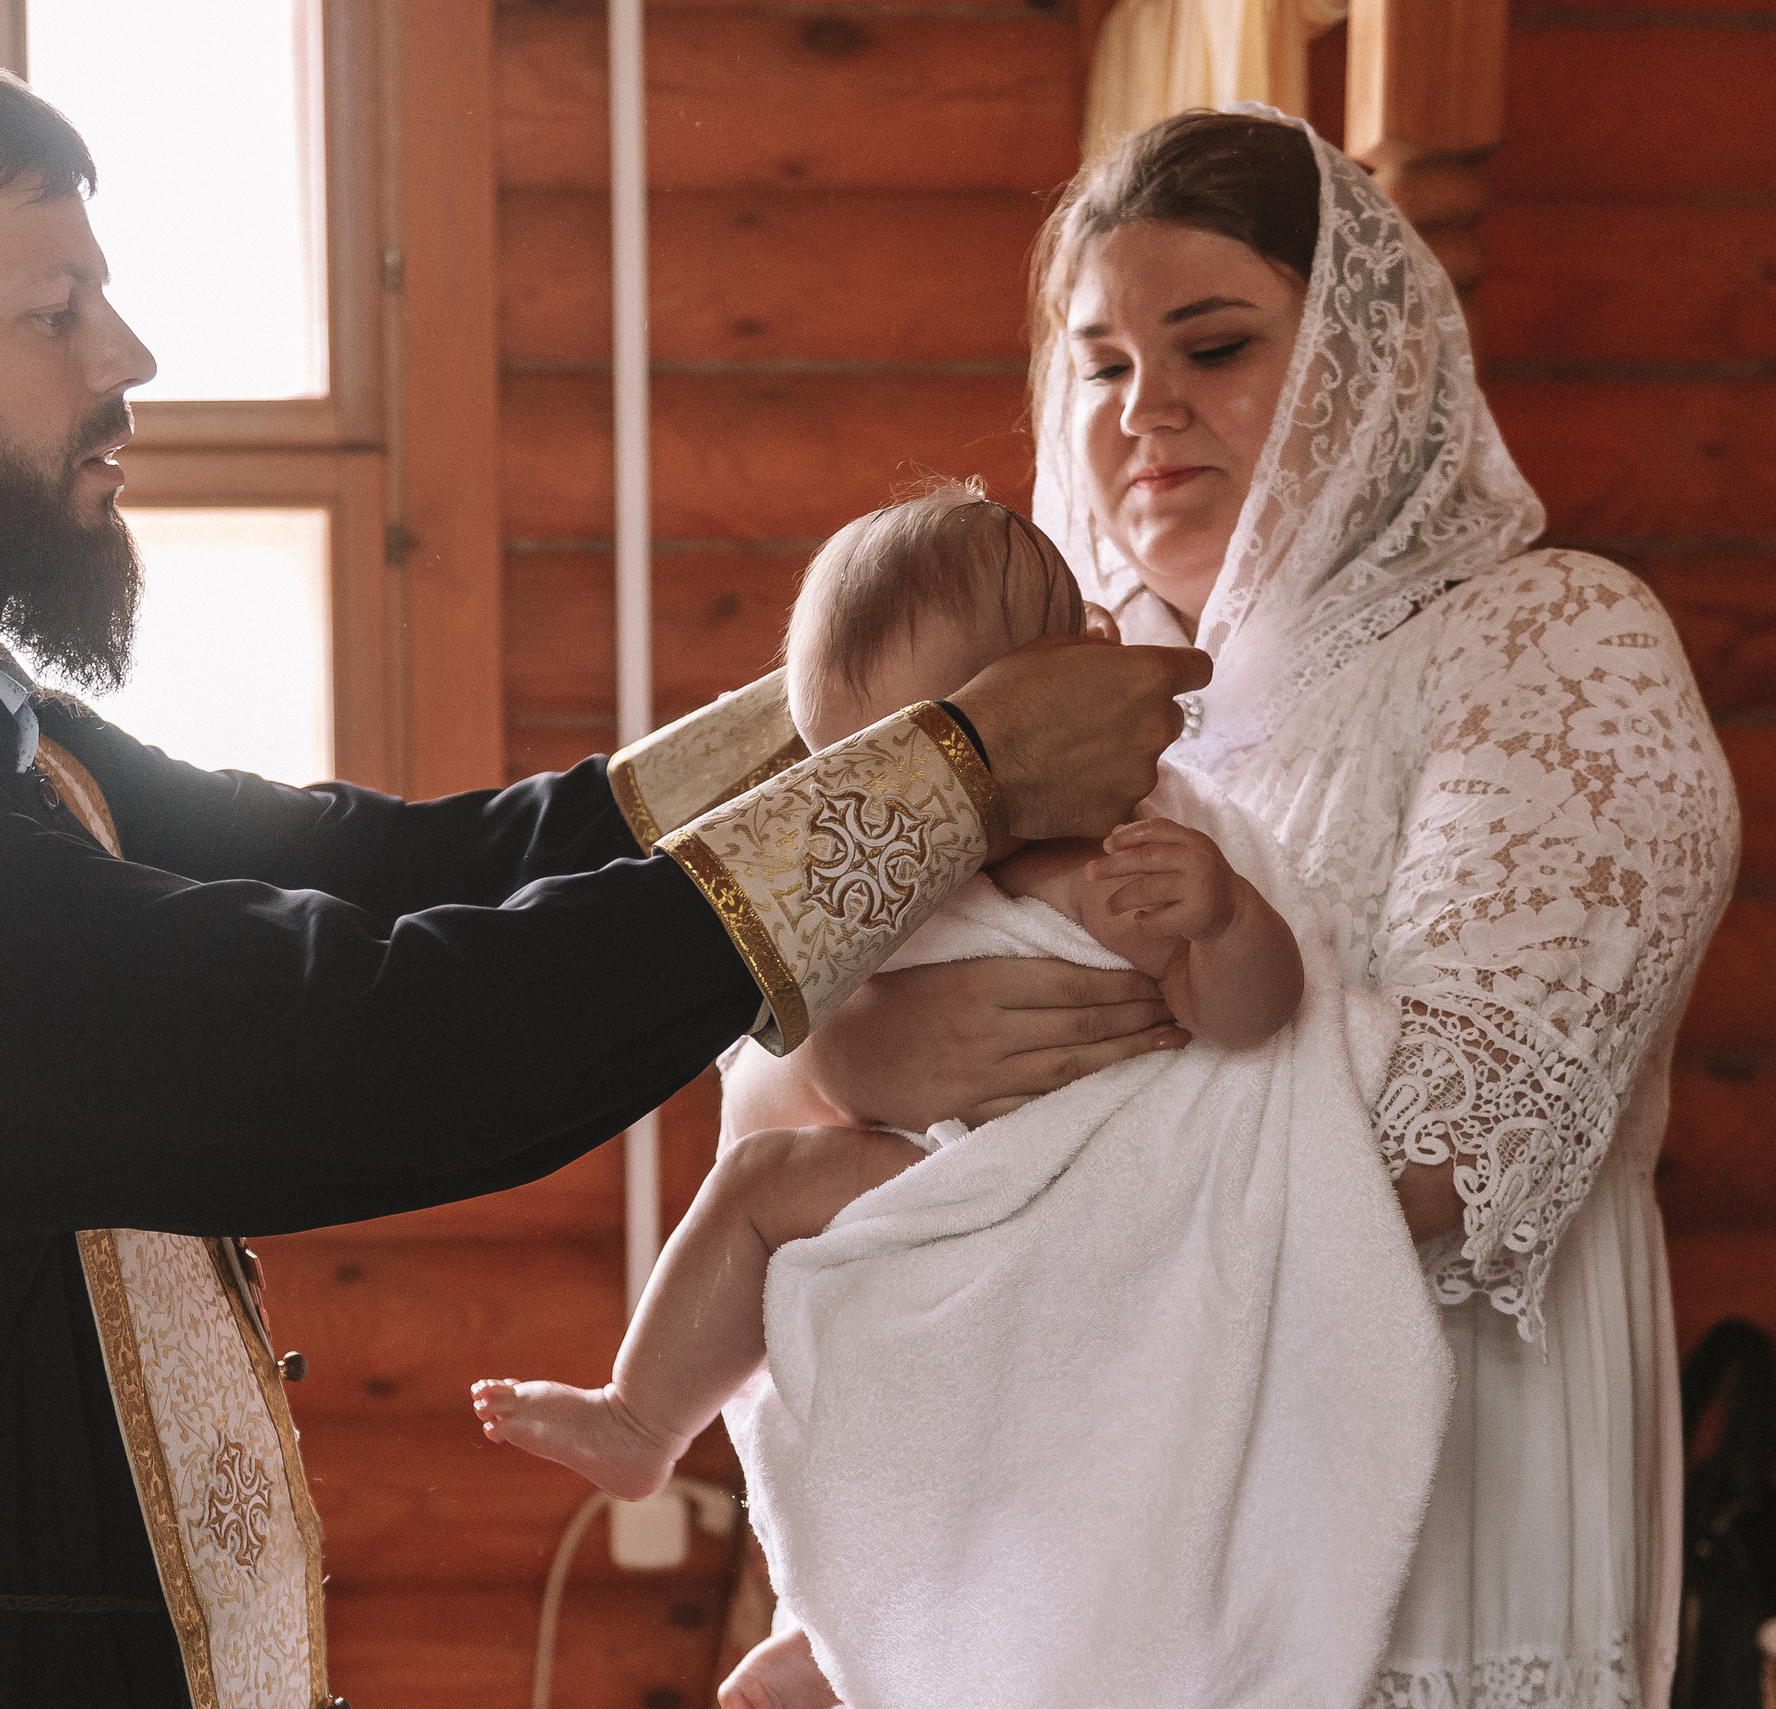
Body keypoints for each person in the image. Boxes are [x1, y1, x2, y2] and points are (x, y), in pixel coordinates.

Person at [0, 50, 1209, 1708]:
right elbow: (381, 1041)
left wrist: (863, 699)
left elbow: (390, 866)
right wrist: (950, 771)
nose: (127, 356)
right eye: (54, 312)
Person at [718, 109, 1738, 1709]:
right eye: (1105, 362)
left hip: (1428, 1481)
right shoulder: (1038, 696)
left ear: (1362, 363)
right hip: (1076, 1526)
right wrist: (863, 1043)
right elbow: (778, 1060)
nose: (1149, 411)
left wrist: (991, 1093)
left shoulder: (1554, 644)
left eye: (1216, 343)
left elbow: (1450, 1142)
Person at [469, 483, 1303, 1503]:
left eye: (945, 769)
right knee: (762, 1186)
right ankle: (649, 1423)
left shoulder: (1114, 862)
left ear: (1070, 689)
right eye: (851, 771)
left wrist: (1222, 921)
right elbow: (774, 1059)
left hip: (1074, 1210)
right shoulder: (859, 878)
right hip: (943, 1179)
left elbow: (1254, 1021)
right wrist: (841, 1049)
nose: (906, 820)